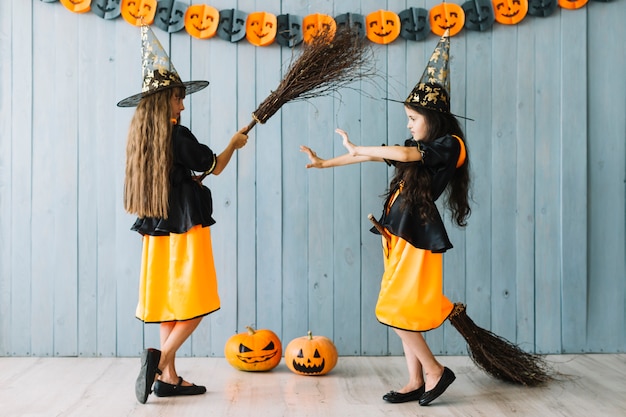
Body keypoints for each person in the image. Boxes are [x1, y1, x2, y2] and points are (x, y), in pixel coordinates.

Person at [300, 31, 470, 407]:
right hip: (397, 235)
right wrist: (327, 162)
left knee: (392, 309)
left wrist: (362, 146)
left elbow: (401, 155)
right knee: (401, 310)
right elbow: (375, 155)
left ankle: (435, 371)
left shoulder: (448, 147)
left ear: (432, 118)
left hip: (416, 235)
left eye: (413, 118)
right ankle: (415, 379)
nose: (409, 125)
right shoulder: (419, 147)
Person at [118, 25, 248, 404]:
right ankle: (160, 363)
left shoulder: (143, 138)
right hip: (185, 225)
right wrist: (234, 144)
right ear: (165, 102)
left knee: (169, 301)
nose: (183, 105)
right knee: (195, 299)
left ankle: (169, 378)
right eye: (178, 99)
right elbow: (214, 165)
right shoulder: (178, 135)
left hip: (156, 226)